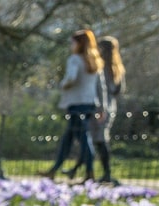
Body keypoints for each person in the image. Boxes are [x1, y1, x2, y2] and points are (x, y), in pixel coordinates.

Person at [61, 35, 126, 183]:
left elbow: (98, 88)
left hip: (98, 107)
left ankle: (101, 172)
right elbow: (119, 90)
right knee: (95, 139)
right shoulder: (118, 68)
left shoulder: (100, 66)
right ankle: (81, 169)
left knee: (94, 140)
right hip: (110, 107)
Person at [42, 29, 104, 183]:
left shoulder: (75, 59)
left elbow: (71, 78)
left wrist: (62, 85)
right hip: (89, 104)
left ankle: (89, 172)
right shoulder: (94, 61)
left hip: (76, 104)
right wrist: (101, 107)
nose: (71, 45)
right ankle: (54, 169)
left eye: (73, 42)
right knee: (69, 138)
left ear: (79, 43)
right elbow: (100, 87)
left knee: (83, 138)